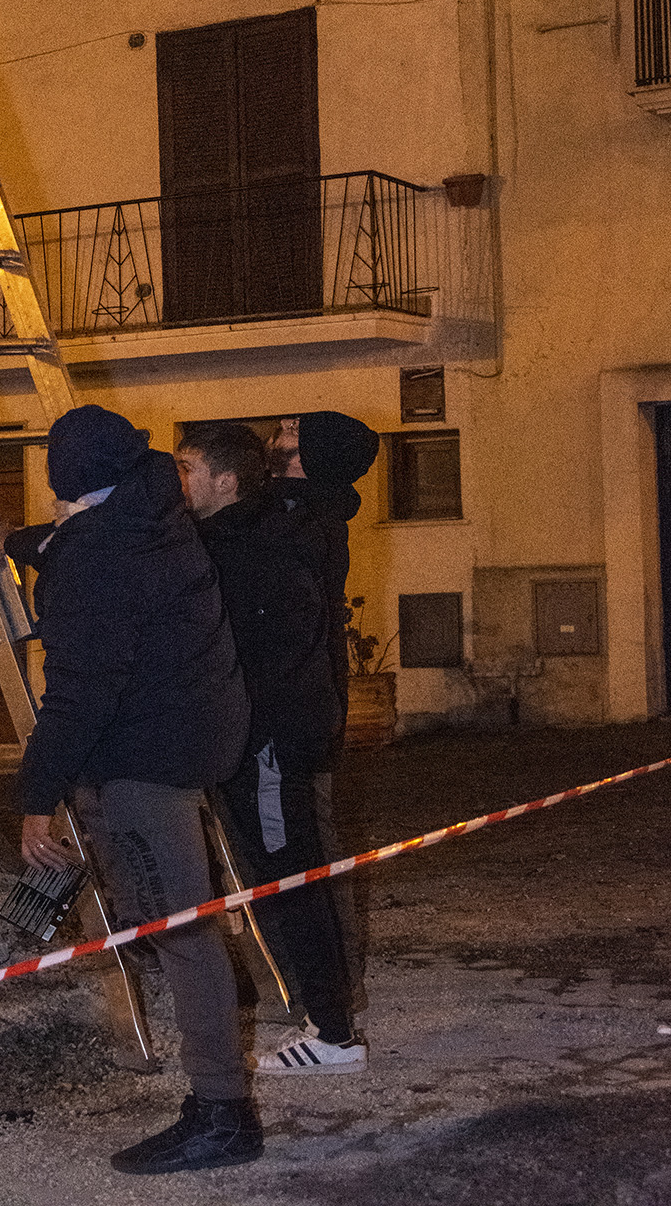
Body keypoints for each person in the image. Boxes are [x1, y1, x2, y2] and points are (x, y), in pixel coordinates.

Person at [0, 403, 262, 1175]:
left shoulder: (94, 560)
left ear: (64, 482)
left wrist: (34, 797)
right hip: (193, 743)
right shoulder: (157, 514)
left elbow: (78, 694)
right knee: (185, 926)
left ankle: (221, 1113)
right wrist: (17, 542)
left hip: (141, 767)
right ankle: (218, 1104)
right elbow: (73, 543)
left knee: (182, 935)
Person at [177, 422, 365, 1072]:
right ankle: (326, 1018)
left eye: (187, 469)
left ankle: (336, 1035)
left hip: (268, 746)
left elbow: (275, 646)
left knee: (294, 877)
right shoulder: (262, 529)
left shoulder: (267, 543)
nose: (178, 484)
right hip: (263, 739)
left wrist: (240, 717)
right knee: (285, 876)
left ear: (227, 482)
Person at [271, 407, 381, 1006]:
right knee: (304, 843)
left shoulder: (305, 519)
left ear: (314, 458)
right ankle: (321, 980)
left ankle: (333, 987)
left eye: (290, 435)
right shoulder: (304, 511)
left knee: (309, 846)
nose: (275, 439)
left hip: (299, 712)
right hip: (306, 707)